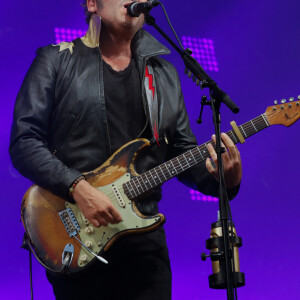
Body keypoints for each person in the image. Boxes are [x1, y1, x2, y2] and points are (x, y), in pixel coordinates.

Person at [9, 0, 242, 299]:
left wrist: (224, 177)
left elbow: (183, 153)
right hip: (78, 234)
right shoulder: (55, 61)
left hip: (144, 243)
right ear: (93, 4)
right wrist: (77, 186)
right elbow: (24, 141)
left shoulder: (163, 74)